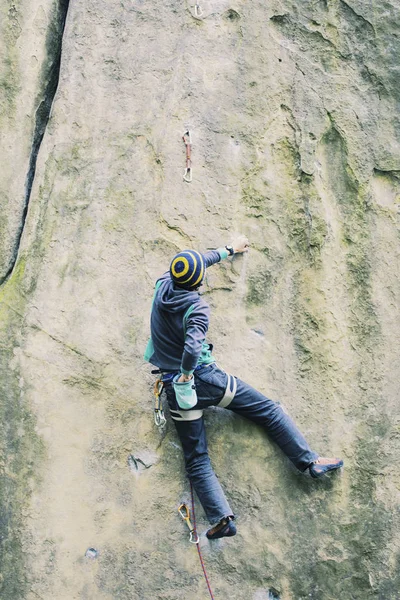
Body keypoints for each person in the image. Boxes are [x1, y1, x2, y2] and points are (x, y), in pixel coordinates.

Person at [144, 236, 343, 540]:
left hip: (176, 391)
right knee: (269, 411)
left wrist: (227, 251)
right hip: (207, 381)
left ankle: (222, 518)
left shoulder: (162, 285)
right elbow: (193, 346)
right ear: (199, 281)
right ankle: (309, 462)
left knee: (196, 458)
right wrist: (187, 371)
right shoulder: (197, 307)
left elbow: (199, 260)